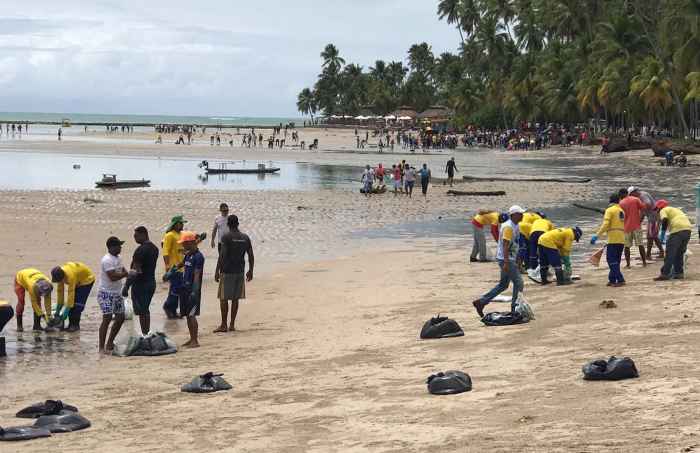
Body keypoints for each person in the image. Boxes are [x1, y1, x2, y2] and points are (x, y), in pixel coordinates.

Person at [472, 205, 525, 317]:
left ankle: (481, 302)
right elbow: (505, 245)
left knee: (503, 285)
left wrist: (518, 260)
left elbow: (516, 244)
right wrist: (506, 262)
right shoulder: (508, 227)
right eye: (520, 214)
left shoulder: (516, 225)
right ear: (514, 215)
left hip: (508, 258)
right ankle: (515, 309)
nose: (522, 215)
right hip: (506, 259)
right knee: (519, 283)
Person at [214, 215, 254, 333]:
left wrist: (217, 270)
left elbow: (222, 255)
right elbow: (251, 255)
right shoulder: (245, 237)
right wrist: (251, 270)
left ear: (228, 224)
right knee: (235, 299)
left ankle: (223, 325)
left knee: (223, 298)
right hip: (240, 271)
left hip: (227, 271)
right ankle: (231, 325)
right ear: (238, 224)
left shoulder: (226, 237)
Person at [124, 226, 159, 335]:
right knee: (145, 310)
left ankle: (145, 334)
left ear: (143, 234)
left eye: (136, 235)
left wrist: (126, 286)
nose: (134, 238)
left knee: (142, 311)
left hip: (141, 284)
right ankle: (146, 333)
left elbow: (135, 271)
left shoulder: (140, 250)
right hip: (151, 282)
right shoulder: (154, 248)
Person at [97, 237, 129, 353]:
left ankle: (109, 342)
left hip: (117, 293)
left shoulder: (118, 258)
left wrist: (125, 273)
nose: (120, 248)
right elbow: (112, 277)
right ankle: (101, 347)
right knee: (107, 318)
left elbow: (121, 270)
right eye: (118, 246)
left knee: (120, 317)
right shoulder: (106, 260)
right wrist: (125, 275)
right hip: (106, 293)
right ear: (111, 247)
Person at [591, 194, 626, 287]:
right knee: (616, 261)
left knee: (610, 260)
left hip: (613, 239)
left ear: (610, 201)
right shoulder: (621, 210)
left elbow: (606, 224)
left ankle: (621, 279)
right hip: (621, 239)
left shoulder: (610, 210)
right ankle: (612, 279)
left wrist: (596, 235)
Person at [51, 262, 96, 331]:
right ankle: (70, 325)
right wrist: (58, 310)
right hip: (78, 279)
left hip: (87, 280)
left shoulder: (70, 276)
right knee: (72, 304)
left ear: (63, 277)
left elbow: (70, 295)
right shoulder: (60, 275)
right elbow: (60, 293)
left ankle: (75, 325)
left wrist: (66, 311)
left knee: (78, 304)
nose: (59, 282)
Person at [653, 200, 692, 281]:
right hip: (688, 229)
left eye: (656, 209)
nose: (656, 212)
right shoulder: (675, 209)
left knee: (670, 253)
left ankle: (665, 274)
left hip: (677, 230)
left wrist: (662, 235)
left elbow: (665, 220)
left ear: (659, 207)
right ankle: (679, 273)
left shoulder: (663, 210)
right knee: (679, 253)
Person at [179, 231, 205, 348]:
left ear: (189, 242)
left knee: (192, 314)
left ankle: (195, 341)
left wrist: (194, 291)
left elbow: (197, 274)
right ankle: (191, 339)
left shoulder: (199, 257)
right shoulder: (188, 254)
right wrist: (171, 271)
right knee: (187, 315)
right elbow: (182, 265)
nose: (182, 245)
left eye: (184, 243)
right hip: (185, 288)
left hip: (192, 290)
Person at [162, 215, 187, 319]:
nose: (182, 225)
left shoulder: (182, 234)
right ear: (175, 224)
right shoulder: (169, 235)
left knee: (178, 290)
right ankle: (168, 307)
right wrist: (167, 267)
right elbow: (165, 252)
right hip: (173, 268)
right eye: (180, 223)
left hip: (181, 267)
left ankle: (173, 309)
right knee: (175, 289)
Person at [632, 187, 664, 259]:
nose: (631, 197)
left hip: (654, 217)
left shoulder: (642, 195)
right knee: (654, 236)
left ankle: (648, 255)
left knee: (650, 236)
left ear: (634, 192)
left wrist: (640, 207)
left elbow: (648, 204)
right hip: (653, 217)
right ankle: (661, 252)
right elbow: (643, 213)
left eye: (631, 195)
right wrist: (638, 222)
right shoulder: (640, 197)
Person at [619, 188, 647, 268]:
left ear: (622, 194)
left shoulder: (621, 203)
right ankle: (644, 262)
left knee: (627, 246)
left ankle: (628, 264)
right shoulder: (635, 199)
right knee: (640, 245)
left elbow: (621, 217)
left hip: (627, 227)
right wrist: (640, 219)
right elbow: (643, 208)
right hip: (636, 226)